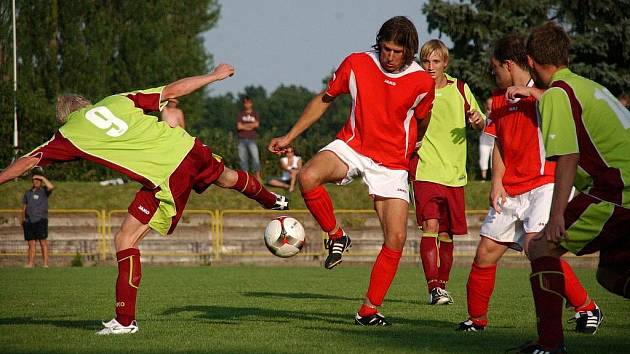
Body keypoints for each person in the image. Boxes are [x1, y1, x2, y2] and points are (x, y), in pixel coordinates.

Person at [0, 63, 289, 335]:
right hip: (188, 146)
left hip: (167, 173)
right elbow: (172, 91)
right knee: (225, 176)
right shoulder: (116, 100)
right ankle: (273, 200)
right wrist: (213, 75)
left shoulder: (67, 134)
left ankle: (124, 321)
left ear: (65, 116)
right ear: (87, 104)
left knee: (125, 240)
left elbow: (27, 162)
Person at [268, 16, 435, 325]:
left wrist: (413, 146)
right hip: (353, 146)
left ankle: (368, 311)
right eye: (385, 49)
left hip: (392, 162)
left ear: (409, 51)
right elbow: (325, 98)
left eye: (397, 51)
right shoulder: (357, 63)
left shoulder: (423, 81)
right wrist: (289, 136)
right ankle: (336, 236)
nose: (389, 56)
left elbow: (422, 120)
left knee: (396, 238)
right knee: (307, 176)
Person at [456, 34, 600, 335]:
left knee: (539, 249)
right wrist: (496, 183)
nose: (493, 73)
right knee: (485, 253)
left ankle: (585, 308)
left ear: (509, 65)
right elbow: (498, 144)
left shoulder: (546, 89)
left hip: (545, 184)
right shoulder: (498, 98)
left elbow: (563, 106)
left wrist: (529, 93)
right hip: (512, 188)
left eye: (495, 67)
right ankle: (476, 321)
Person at [506, 22, 630, 353]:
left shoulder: (559, 95)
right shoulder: (586, 86)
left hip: (617, 193)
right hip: (621, 192)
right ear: (565, 56)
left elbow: (568, 157)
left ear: (530, 62)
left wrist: (556, 214)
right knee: (611, 275)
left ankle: (550, 344)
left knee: (540, 247)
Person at [410, 39, 485, 305]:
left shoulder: (461, 89)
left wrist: (478, 120)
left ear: (445, 64)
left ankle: (442, 285)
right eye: (426, 61)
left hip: (454, 174)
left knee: (447, 234)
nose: (430, 67)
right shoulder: (415, 89)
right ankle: (433, 287)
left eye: (436, 62)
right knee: (430, 226)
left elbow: (482, 122)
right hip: (425, 170)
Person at [21, 174, 55, 268]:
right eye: (34, 180)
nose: (36, 182)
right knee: (31, 243)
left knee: (42, 242)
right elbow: (24, 207)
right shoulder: (28, 192)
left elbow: (51, 186)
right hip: (29, 221)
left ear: (41, 182)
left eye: (38, 180)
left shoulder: (44, 190)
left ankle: (45, 264)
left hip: (40, 220)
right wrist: (23, 219)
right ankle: (30, 263)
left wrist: (43, 177)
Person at [237, 96, 262, 181]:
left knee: (255, 158)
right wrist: (251, 126)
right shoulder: (240, 114)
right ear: (243, 104)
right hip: (241, 139)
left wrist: (244, 126)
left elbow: (257, 125)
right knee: (243, 159)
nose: (247, 104)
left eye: (248, 102)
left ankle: (258, 178)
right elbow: (239, 127)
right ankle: (246, 178)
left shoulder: (255, 113)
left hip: (252, 139)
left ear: (251, 103)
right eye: (245, 102)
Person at [478, 97, 494, 181]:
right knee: (483, 160)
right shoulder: (484, 115)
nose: (490, 105)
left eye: (492, 103)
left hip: (494, 143)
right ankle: (483, 178)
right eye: (489, 103)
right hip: (484, 142)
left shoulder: (497, 115)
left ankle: (493, 178)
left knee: (493, 162)